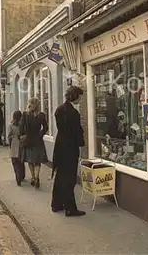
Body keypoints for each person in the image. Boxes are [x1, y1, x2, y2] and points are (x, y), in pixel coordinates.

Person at [51, 85, 86, 217]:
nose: (80, 100)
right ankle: (70, 208)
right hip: (70, 148)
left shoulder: (59, 110)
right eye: (80, 97)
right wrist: (81, 143)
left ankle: (56, 204)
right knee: (69, 178)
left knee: (60, 176)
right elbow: (76, 132)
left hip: (60, 146)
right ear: (75, 96)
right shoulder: (73, 113)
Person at [19, 97, 48, 189]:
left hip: (28, 140)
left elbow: (20, 127)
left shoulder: (25, 114)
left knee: (30, 161)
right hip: (38, 140)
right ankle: (37, 177)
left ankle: (32, 177)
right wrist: (40, 134)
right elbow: (45, 127)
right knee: (37, 161)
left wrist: (22, 135)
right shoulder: (41, 115)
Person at [7, 110, 26, 186]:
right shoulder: (23, 125)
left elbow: (9, 136)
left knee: (15, 162)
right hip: (21, 144)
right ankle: (22, 175)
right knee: (21, 161)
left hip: (14, 144)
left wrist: (10, 144)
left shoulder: (11, 125)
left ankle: (18, 176)